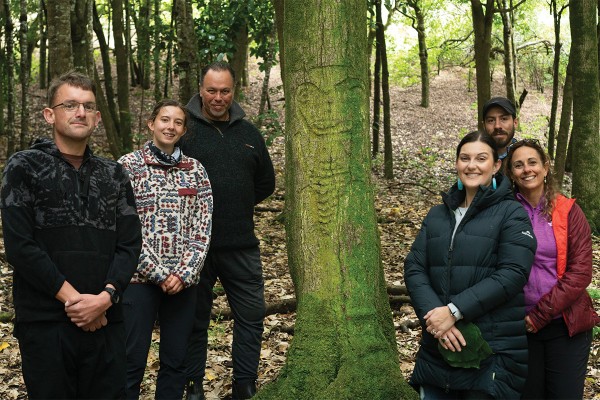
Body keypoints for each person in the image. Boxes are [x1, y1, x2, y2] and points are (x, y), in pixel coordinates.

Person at [0, 71, 142, 399]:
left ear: (97, 118)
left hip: (107, 321)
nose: (80, 112)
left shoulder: (115, 175)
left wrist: (105, 298)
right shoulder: (23, 167)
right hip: (46, 323)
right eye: (70, 104)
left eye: (88, 106)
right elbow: (20, 246)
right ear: (50, 114)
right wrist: (74, 301)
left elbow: (130, 244)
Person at [404, 130, 537, 399]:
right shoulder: (437, 215)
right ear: (456, 163)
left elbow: (513, 273)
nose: (472, 165)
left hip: (491, 351)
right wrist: (436, 318)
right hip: (437, 348)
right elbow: (415, 267)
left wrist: (454, 311)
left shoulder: (512, 214)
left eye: (481, 158)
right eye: (465, 158)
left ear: (496, 165)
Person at [181, 61, 275, 400]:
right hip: (195, 248)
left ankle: (244, 386)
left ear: (233, 92)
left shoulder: (249, 134)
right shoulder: (184, 130)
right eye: (211, 90)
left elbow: (266, 182)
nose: (218, 97)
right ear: (201, 90)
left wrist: (238, 202)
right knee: (194, 319)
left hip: (241, 245)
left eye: (224, 91)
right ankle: (193, 387)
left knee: (251, 316)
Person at [118, 99, 213, 399]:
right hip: (138, 281)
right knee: (131, 361)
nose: (170, 126)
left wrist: (183, 273)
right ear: (151, 123)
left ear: (184, 130)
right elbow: (123, 228)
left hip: (183, 284)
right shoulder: (128, 167)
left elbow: (203, 228)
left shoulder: (196, 171)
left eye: (177, 122)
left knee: (175, 362)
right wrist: (158, 273)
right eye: (164, 120)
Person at [504, 139, 599, 399]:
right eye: (518, 165)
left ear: (546, 168)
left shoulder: (569, 211)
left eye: (532, 162)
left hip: (564, 325)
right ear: (511, 173)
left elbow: (580, 272)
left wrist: (540, 315)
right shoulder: (505, 211)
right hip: (519, 327)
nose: (527, 170)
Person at [482, 96, 519, 161]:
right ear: (484, 126)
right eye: (491, 120)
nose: (497, 126)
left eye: (504, 119)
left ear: (515, 123)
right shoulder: (475, 160)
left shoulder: (526, 158)